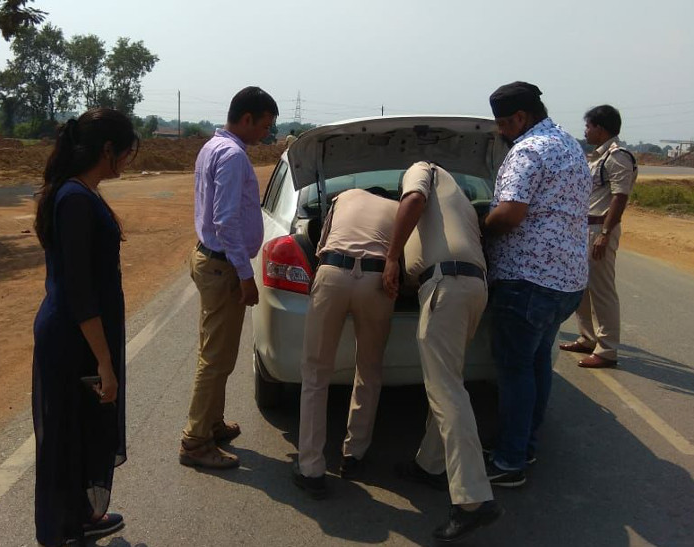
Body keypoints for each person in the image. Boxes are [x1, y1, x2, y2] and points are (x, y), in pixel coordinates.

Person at [32, 108, 138, 546]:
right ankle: (62, 533)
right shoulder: (74, 199)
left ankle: (80, 517)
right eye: (126, 153)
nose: (128, 162)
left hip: (81, 335)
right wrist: (104, 361)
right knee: (66, 437)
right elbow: (79, 291)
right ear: (107, 150)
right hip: (74, 339)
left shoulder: (82, 193)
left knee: (82, 431)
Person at [382, 162, 501, 542]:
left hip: (445, 287)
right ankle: (430, 464)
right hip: (473, 288)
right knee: (448, 380)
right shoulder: (461, 198)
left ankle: (473, 501)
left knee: (447, 392)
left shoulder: (422, 168)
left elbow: (414, 198)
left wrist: (390, 257)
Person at [482, 82, 590, 487]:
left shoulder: (527, 150)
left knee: (515, 371)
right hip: (566, 283)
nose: (501, 132)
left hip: (527, 282)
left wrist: (479, 229)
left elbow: (509, 214)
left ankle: (510, 462)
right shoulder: (569, 146)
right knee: (536, 363)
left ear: (520, 119)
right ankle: (524, 444)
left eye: (503, 124)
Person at [180, 86, 279, 469]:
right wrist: (245, 275)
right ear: (247, 118)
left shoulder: (212, 147)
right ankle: (195, 441)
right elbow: (225, 220)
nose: (265, 135)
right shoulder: (234, 155)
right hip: (222, 265)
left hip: (209, 259)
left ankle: (212, 422)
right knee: (216, 358)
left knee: (216, 351)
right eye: (265, 126)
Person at [292, 186, 398, 499]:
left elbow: (320, 246)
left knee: (315, 374)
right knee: (368, 369)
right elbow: (404, 263)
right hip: (377, 280)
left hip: (332, 272)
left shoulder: (343, 197)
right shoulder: (398, 210)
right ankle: (354, 455)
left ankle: (311, 468)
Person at [561, 105, 637, 368]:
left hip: (599, 227)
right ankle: (588, 337)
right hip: (585, 227)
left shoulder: (617, 156)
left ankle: (607, 349)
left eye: (589, 126)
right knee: (582, 286)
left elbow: (620, 196)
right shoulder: (596, 157)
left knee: (602, 289)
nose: (586, 131)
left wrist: (605, 233)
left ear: (600, 129)